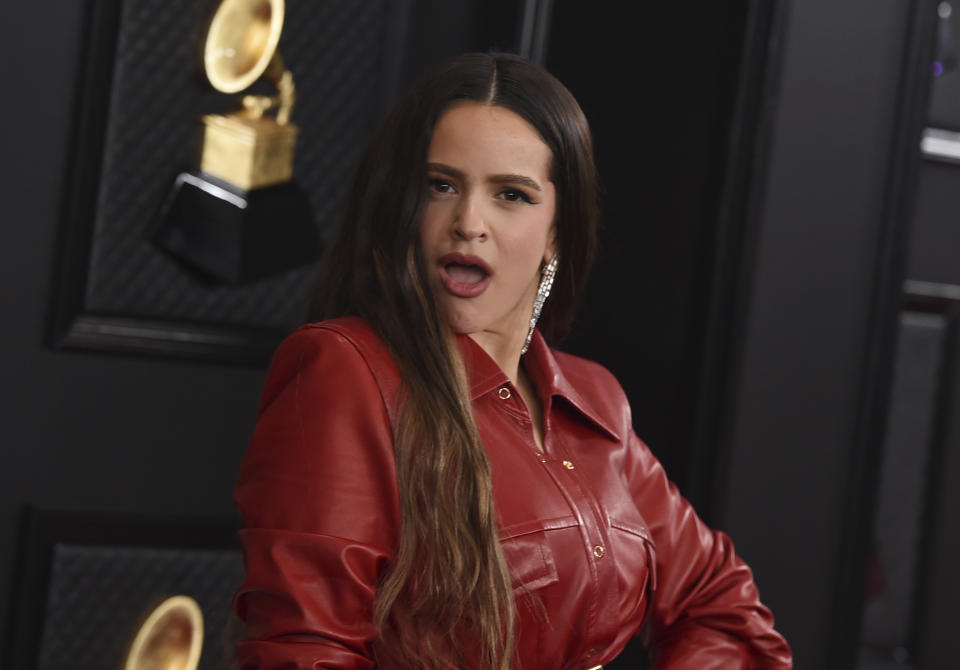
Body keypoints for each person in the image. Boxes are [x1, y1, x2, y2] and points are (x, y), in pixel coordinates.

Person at [232, 52, 793, 670]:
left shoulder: (593, 399)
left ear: (558, 229)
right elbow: (304, 653)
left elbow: (722, 607)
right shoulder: (346, 371)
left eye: (511, 195)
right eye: (440, 186)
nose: (468, 223)